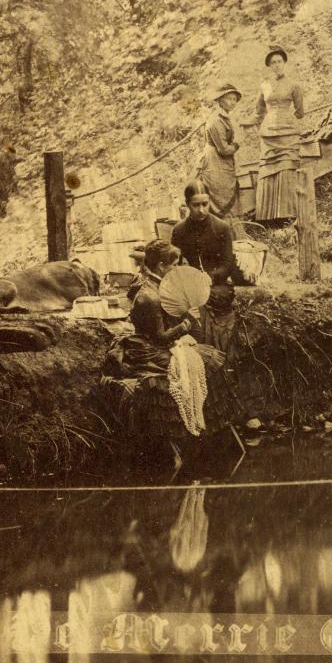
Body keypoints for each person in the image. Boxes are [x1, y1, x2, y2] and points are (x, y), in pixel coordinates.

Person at [100, 240, 207, 470]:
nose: (176, 269)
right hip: (147, 349)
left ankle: (198, 433)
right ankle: (184, 436)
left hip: (156, 342)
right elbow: (159, 337)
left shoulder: (161, 287)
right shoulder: (150, 296)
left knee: (198, 359)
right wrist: (186, 323)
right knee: (189, 366)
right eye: (173, 264)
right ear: (160, 266)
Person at [170, 183, 238, 352]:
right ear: (187, 204)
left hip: (217, 285)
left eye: (205, 204)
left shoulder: (222, 227)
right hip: (189, 287)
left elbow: (228, 263)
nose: (201, 210)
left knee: (201, 306)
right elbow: (174, 264)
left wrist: (211, 277)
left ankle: (211, 352)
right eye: (195, 205)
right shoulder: (179, 231)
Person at [254, 47, 305, 223]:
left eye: (279, 61)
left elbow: (300, 111)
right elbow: (259, 110)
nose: (277, 65)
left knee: (286, 166)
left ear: (284, 63)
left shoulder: (294, 85)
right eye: (273, 62)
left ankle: (288, 213)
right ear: (269, 65)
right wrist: (259, 122)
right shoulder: (264, 86)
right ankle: (267, 216)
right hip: (268, 132)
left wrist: (287, 118)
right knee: (268, 168)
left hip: (288, 131)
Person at [196, 83, 242, 217]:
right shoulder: (216, 121)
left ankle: (232, 228)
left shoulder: (224, 118)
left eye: (234, 99)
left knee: (227, 190)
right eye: (229, 99)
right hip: (214, 161)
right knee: (220, 193)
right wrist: (237, 144)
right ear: (220, 100)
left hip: (222, 161)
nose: (232, 102)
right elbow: (224, 150)